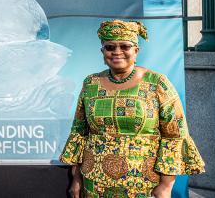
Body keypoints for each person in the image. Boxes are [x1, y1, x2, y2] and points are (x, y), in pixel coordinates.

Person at [60, 20, 205, 198]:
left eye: (125, 46)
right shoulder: (91, 83)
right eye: (110, 47)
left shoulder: (157, 83)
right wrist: (76, 178)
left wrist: (166, 185)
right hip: (94, 183)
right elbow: (79, 132)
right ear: (102, 52)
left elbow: (174, 135)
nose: (117, 52)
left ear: (136, 51)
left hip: (143, 185)